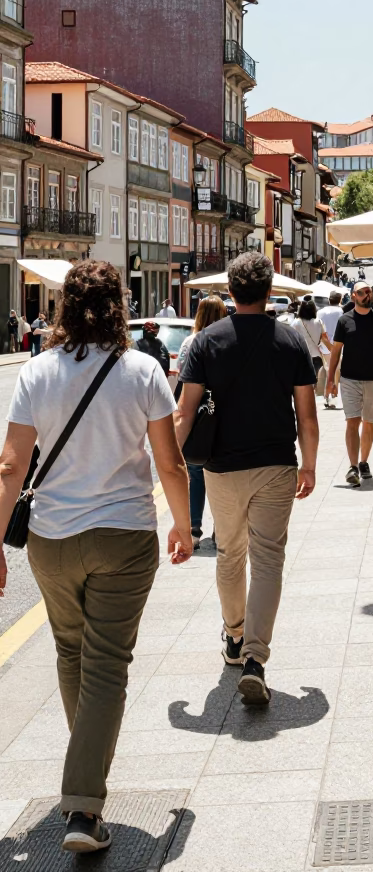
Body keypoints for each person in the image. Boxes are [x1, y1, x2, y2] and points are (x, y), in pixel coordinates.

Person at [0, 260, 192, 854]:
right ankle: (83, 806)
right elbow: (168, 462)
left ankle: (86, 763)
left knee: (70, 651)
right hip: (124, 537)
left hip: (52, 541)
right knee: (107, 664)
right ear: (119, 305)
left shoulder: (36, 372)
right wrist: (184, 523)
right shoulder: (142, 370)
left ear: (62, 307)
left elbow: (11, 466)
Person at [174, 252, 319, 705]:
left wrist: (168, 467)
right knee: (269, 559)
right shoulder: (291, 340)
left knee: (230, 554)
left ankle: (235, 638)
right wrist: (310, 463)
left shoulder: (206, 342)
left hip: (221, 468)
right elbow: (307, 415)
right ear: (269, 289)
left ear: (231, 291)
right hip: (277, 465)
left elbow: (184, 411)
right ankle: (256, 657)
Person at [326, 280, 373, 487]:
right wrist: (331, 379)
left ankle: (364, 461)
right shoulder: (344, 320)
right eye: (362, 292)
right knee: (352, 421)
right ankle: (353, 466)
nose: (368, 294)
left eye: (369, 291)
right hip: (349, 379)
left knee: (369, 422)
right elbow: (336, 351)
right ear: (353, 295)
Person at [175, 295, 228, 549]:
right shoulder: (228, 340)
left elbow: (182, 372)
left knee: (194, 471)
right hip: (221, 410)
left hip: (195, 412)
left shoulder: (190, 341)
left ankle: (194, 529)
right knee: (221, 469)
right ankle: (221, 528)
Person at [290, 298, 332, 386]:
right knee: (315, 384)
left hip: (301, 358)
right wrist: (333, 351)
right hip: (316, 357)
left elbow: (291, 341)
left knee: (303, 385)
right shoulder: (319, 322)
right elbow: (325, 339)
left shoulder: (295, 323)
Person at [318, 291, 344, 408]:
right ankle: (333, 394)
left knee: (328, 369)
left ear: (329, 300)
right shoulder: (341, 312)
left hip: (324, 344)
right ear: (340, 300)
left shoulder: (320, 312)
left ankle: (327, 395)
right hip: (337, 344)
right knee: (336, 370)